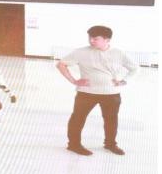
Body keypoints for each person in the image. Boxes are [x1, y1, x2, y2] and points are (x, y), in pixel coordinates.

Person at [56, 25, 138, 156]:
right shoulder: (81, 52)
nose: (91, 41)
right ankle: (73, 145)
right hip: (86, 93)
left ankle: (110, 144)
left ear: (107, 40)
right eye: (90, 37)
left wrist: (124, 80)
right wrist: (74, 81)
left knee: (111, 120)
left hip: (111, 93)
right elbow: (61, 64)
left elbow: (135, 68)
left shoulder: (119, 53)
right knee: (77, 118)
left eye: (95, 39)